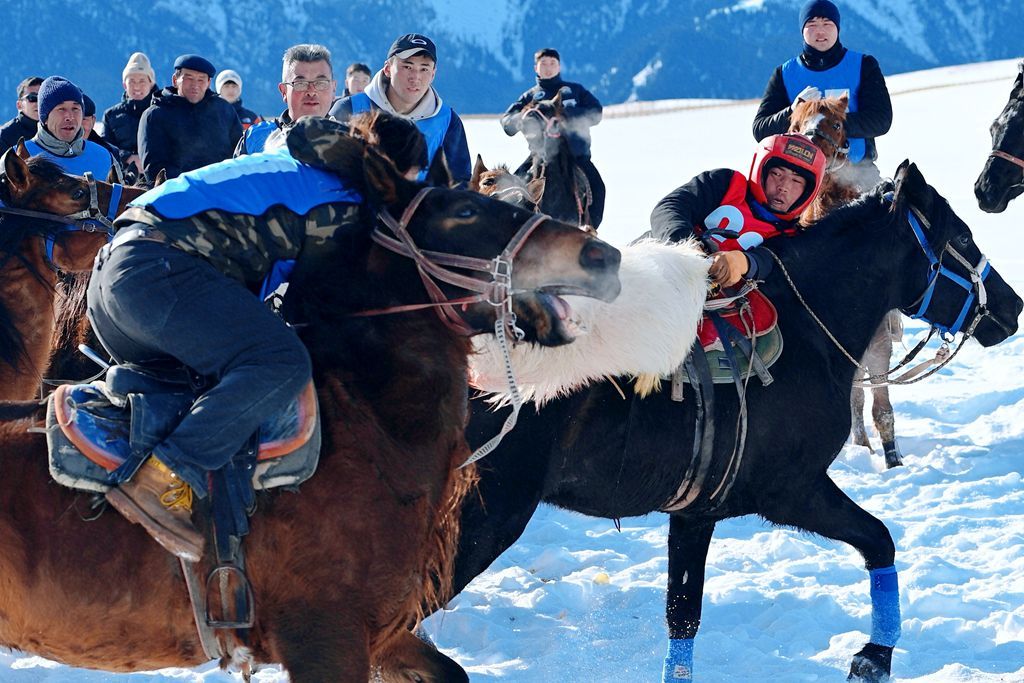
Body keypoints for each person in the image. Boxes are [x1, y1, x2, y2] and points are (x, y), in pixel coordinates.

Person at [87, 112, 427, 560]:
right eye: (407, 181)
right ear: (390, 173)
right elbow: (321, 307)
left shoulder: (299, 165)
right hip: (158, 277)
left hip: (115, 283)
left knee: (224, 382)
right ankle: (162, 477)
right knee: (280, 362)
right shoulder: (344, 201)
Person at [650, 133, 826, 287]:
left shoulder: (790, 235)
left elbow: (772, 260)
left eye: (796, 182)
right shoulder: (724, 183)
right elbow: (671, 207)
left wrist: (741, 263)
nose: (784, 187)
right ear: (762, 171)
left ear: (808, 191)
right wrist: (687, 245)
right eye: (777, 174)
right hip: (658, 263)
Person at [751, 0, 891, 190]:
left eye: (827, 24)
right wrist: (794, 111)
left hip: (858, 176)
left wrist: (827, 127)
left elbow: (881, 119)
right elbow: (760, 129)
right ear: (802, 30)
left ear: (837, 28)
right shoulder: (785, 73)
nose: (820, 31)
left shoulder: (863, 65)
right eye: (812, 25)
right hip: (801, 181)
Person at [329, 33, 471, 185]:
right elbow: (326, 173)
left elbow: (459, 183)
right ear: (388, 69)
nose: (415, 77)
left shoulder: (447, 121)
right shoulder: (349, 108)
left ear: (433, 74)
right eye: (407, 67)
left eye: (424, 69)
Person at [500, 48, 605, 225]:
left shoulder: (575, 90)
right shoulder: (530, 96)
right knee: (512, 188)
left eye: (552, 63)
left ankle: (590, 228)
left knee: (598, 187)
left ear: (559, 66)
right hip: (538, 157)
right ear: (536, 68)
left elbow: (596, 112)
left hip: (576, 156)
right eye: (544, 63)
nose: (548, 67)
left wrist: (567, 114)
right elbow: (506, 122)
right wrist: (524, 117)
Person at [138, 54, 242, 184]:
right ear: (175, 80)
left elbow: (240, 155)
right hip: (178, 194)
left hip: (223, 191)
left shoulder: (224, 111)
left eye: (201, 80)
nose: (195, 85)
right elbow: (155, 169)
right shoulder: (155, 116)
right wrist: (195, 185)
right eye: (189, 78)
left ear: (208, 83)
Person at [24, 76, 121, 181]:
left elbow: (121, 196)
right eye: (61, 109)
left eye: (75, 108)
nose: (69, 116)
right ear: (44, 117)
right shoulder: (21, 157)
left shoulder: (104, 157)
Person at [102, 53, 159, 180]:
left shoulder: (162, 112)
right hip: (124, 182)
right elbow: (104, 148)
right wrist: (127, 157)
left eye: (142, 81)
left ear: (151, 83)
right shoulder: (111, 116)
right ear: (124, 85)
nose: (137, 86)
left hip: (158, 180)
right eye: (131, 81)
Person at [0, 76, 43, 152]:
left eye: (42, 97)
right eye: (32, 98)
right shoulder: (5, 135)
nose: (38, 102)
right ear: (19, 105)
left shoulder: (61, 128)